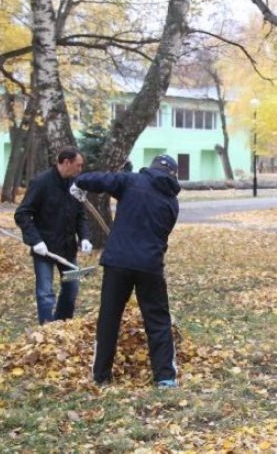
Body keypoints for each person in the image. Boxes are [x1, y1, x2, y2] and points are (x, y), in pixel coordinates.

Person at [73, 154, 181, 388]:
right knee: (157, 319)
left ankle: (101, 375)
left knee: (109, 318)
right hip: (150, 265)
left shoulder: (131, 181)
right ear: (173, 174)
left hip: (118, 262)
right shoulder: (172, 202)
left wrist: (80, 182)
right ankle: (165, 376)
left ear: (151, 168)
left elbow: (103, 180)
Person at [14, 147, 91, 324]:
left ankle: (62, 325)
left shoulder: (75, 185)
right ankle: (47, 329)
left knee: (72, 288)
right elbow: (22, 214)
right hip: (45, 251)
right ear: (66, 162)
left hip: (67, 248)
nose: (80, 170)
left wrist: (85, 237)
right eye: (78, 166)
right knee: (45, 293)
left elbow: (81, 215)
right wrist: (36, 241)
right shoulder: (41, 182)